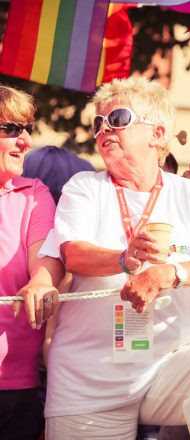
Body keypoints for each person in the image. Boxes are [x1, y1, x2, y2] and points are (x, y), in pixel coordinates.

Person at [40, 76, 190, 440]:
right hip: (89, 377)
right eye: (98, 122)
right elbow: (73, 254)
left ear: (158, 134)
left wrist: (172, 273)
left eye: (118, 119)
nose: (104, 129)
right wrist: (126, 259)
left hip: (167, 366)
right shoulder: (84, 186)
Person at [0, 86, 64, 439]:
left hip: (16, 387)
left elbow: (46, 257)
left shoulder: (35, 193)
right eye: (11, 129)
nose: (24, 140)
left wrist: (41, 280)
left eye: (27, 129)